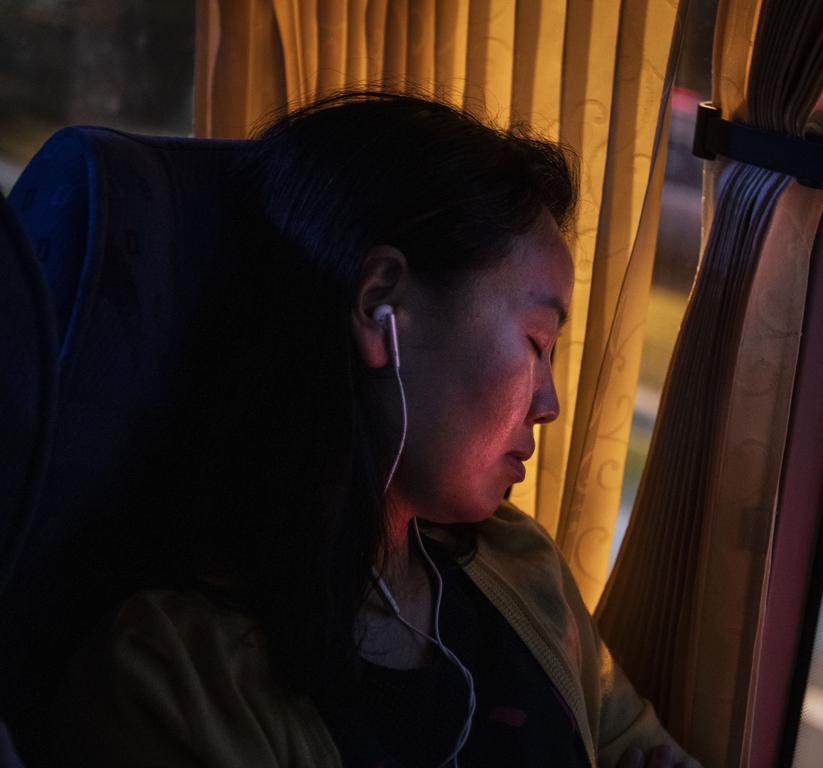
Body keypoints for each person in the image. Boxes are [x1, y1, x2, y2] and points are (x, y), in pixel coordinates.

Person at [46, 91, 699, 768]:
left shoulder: (519, 564)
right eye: (536, 342)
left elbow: (637, 749)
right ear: (380, 300)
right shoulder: (176, 676)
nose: (550, 404)